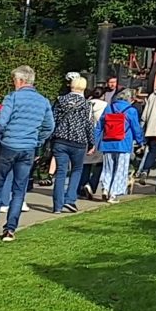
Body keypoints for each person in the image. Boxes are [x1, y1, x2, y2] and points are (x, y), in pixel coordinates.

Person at [0, 66, 53, 239]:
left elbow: (0, 122)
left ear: (21, 81)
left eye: (14, 80)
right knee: (19, 189)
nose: (13, 83)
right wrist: (37, 141)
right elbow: (49, 127)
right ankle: (10, 229)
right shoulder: (43, 101)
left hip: (8, 146)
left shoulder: (13, 98)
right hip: (27, 148)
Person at [49, 74, 96, 215]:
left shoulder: (60, 100)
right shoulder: (87, 105)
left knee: (61, 172)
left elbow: (54, 120)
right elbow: (89, 125)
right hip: (79, 141)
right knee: (76, 170)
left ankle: (57, 205)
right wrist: (92, 142)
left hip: (60, 140)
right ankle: (70, 200)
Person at [94, 84, 143, 201]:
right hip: (123, 143)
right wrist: (141, 141)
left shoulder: (108, 108)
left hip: (107, 143)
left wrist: (95, 140)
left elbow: (100, 126)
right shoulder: (131, 111)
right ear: (129, 98)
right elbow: (136, 128)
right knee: (120, 169)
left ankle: (105, 188)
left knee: (107, 168)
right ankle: (113, 194)